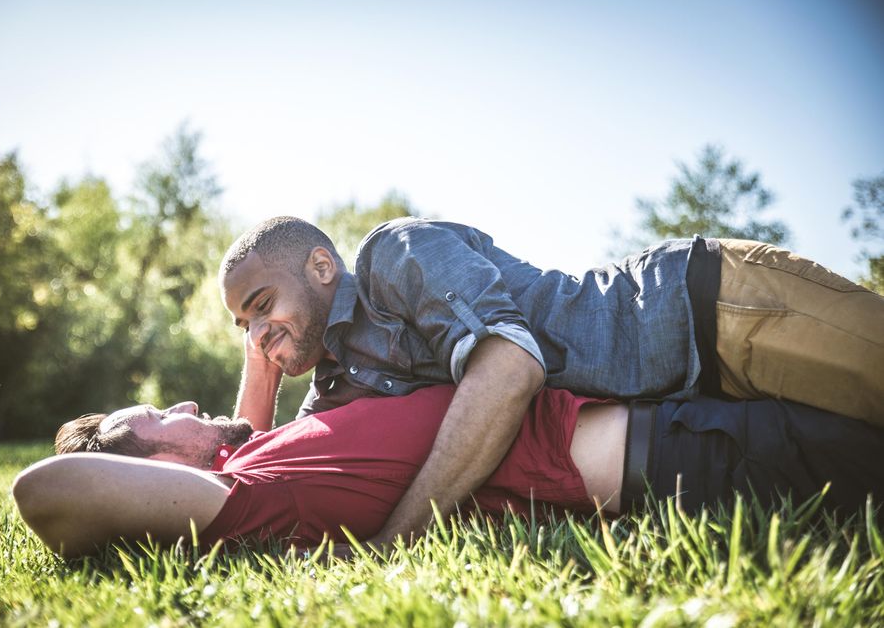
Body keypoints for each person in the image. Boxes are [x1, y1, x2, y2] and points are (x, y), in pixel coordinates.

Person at [216, 216, 884, 547]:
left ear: (322, 267)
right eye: (244, 325)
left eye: (264, 304)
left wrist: (400, 539)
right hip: (699, 410)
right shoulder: (339, 385)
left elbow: (511, 367)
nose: (259, 331)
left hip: (709, 311)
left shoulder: (397, 255)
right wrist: (263, 358)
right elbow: (253, 460)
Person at [13, 388, 884, 558]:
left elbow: (235, 421)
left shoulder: (251, 453)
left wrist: (253, 384)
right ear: (152, 472)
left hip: (688, 419)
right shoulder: (244, 502)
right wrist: (101, 446)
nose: (184, 408)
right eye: (156, 418)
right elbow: (40, 490)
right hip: (696, 459)